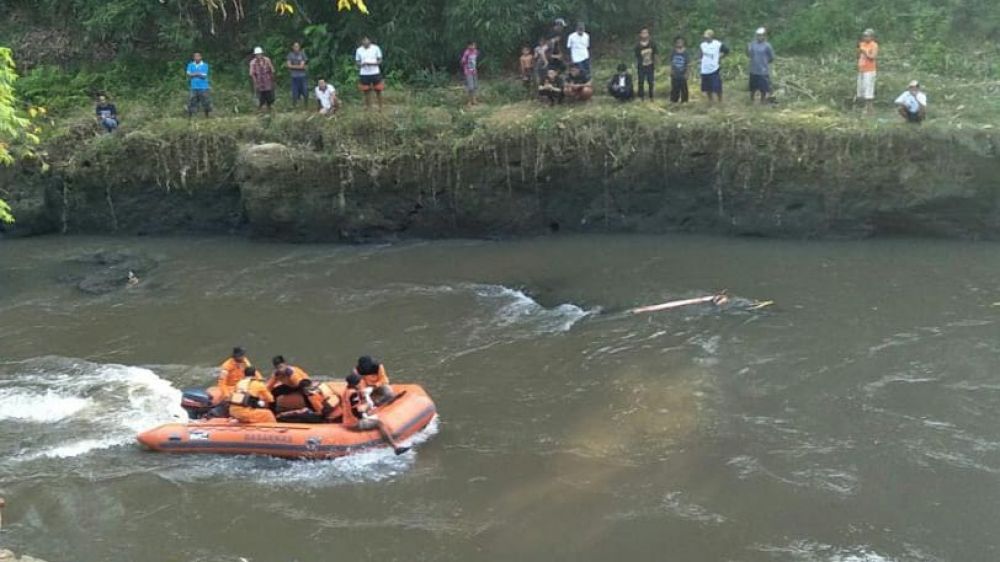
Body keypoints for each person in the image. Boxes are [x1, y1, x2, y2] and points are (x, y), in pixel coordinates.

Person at [341, 373, 410, 455]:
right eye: (360, 381)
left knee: (371, 412)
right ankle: (395, 447)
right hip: (354, 423)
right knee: (379, 424)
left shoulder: (347, 391)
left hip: (348, 419)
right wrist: (366, 409)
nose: (361, 382)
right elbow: (357, 410)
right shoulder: (353, 394)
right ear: (356, 383)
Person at [699, 30, 729, 104]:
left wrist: (720, 57)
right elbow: (701, 54)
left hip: (714, 68)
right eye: (705, 37)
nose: (706, 38)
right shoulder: (702, 45)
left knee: (717, 86)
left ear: (712, 36)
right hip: (704, 69)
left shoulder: (717, 44)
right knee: (707, 87)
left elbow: (726, 50)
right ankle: (710, 100)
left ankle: (720, 101)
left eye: (708, 37)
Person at [355, 36, 385, 111]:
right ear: (362, 42)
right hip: (364, 73)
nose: (365, 42)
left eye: (366, 40)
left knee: (378, 90)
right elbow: (357, 61)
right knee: (366, 91)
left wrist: (374, 63)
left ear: (369, 41)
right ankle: (368, 107)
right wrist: (361, 64)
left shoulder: (376, 48)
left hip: (375, 72)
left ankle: (380, 107)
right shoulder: (359, 50)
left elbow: (380, 60)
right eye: (363, 41)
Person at [748, 27, 775, 104]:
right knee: (752, 87)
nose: (760, 37)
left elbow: (771, 57)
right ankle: (752, 100)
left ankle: (762, 101)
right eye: (758, 35)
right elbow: (749, 55)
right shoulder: (752, 44)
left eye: (761, 35)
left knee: (763, 88)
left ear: (764, 36)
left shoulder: (767, 46)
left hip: (763, 70)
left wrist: (765, 63)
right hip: (753, 69)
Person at [857, 29, 879, 115]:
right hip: (861, 69)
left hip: (869, 70)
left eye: (867, 36)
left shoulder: (874, 45)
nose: (865, 37)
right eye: (864, 36)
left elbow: (873, 57)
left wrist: (865, 52)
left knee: (868, 89)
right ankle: (866, 108)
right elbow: (858, 56)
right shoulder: (861, 44)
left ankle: (869, 109)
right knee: (861, 89)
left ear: (872, 37)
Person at [249, 46, 276, 113]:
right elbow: (252, 74)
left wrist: (272, 79)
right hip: (259, 82)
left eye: (260, 54)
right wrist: (255, 82)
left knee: (269, 96)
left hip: (267, 81)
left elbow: (272, 70)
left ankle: (269, 108)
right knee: (260, 97)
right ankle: (260, 110)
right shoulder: (253, 62)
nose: (259, 55)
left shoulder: (267, 60)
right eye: (257, 54)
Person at [185, 52, 212, 118]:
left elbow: (204, 76)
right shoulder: (190, 65)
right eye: (195, 57)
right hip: (193, 86)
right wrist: (198, 74)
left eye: (198, 57)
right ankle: (190, 117)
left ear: (200, 57)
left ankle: (207, 116)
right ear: (193, 58)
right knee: (192, 101)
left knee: (205, 101)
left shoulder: (205, 65)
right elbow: (188, 75)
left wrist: (194, 74)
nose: (197, 58)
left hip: (203, 87)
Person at [634, 27, 657, 101]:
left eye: (646, 33)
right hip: (641, 66)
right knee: (641, 81)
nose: (644, 34)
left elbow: (655, 54)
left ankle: (651, 96)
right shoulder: (638, 46)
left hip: (650, 65)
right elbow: (637, 56)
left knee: (650, 81)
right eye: (643, 33)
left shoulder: (652, 44)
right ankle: (641, 97)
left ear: (648, 34)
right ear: (640, 35)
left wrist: (656, 63)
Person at [286, 41, 309, 109]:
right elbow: (288, 65)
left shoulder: (302, 54)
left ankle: (306, 105)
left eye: (297, 46)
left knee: (305, 90)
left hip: (302, 76)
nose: (296, 48)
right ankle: (294, 105)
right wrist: (299, 66)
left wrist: (293, 66)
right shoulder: (290, 55)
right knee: (294, 91)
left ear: (299, 47)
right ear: (292, 47)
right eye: (295, 46)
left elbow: (302, 66)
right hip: (294, 76)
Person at [669, 36, 691, 103]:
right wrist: (671, 70)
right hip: (675, 74)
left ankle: (684, 101)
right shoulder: (673, 52)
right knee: (674, 89)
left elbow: (688, 64)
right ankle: (673, 101)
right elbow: (671, 62)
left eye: (681, 42)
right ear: (675, 43)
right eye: (678, 42)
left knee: (684, 89)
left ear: (683, 43)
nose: (679, 44)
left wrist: (687, 73)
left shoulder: (686, 52)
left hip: (683, 74)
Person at [460, 40, 480, 106]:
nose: (473, 46)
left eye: (474, 45)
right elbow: (462, 61)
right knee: (470, 87)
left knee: (475, 86)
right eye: (472, 45)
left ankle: (474, 100)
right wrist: (465, 68)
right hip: (468, 72)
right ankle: (469, 101)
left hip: (474, 71)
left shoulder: (475, 52)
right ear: (469, 46)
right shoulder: (466, 53)